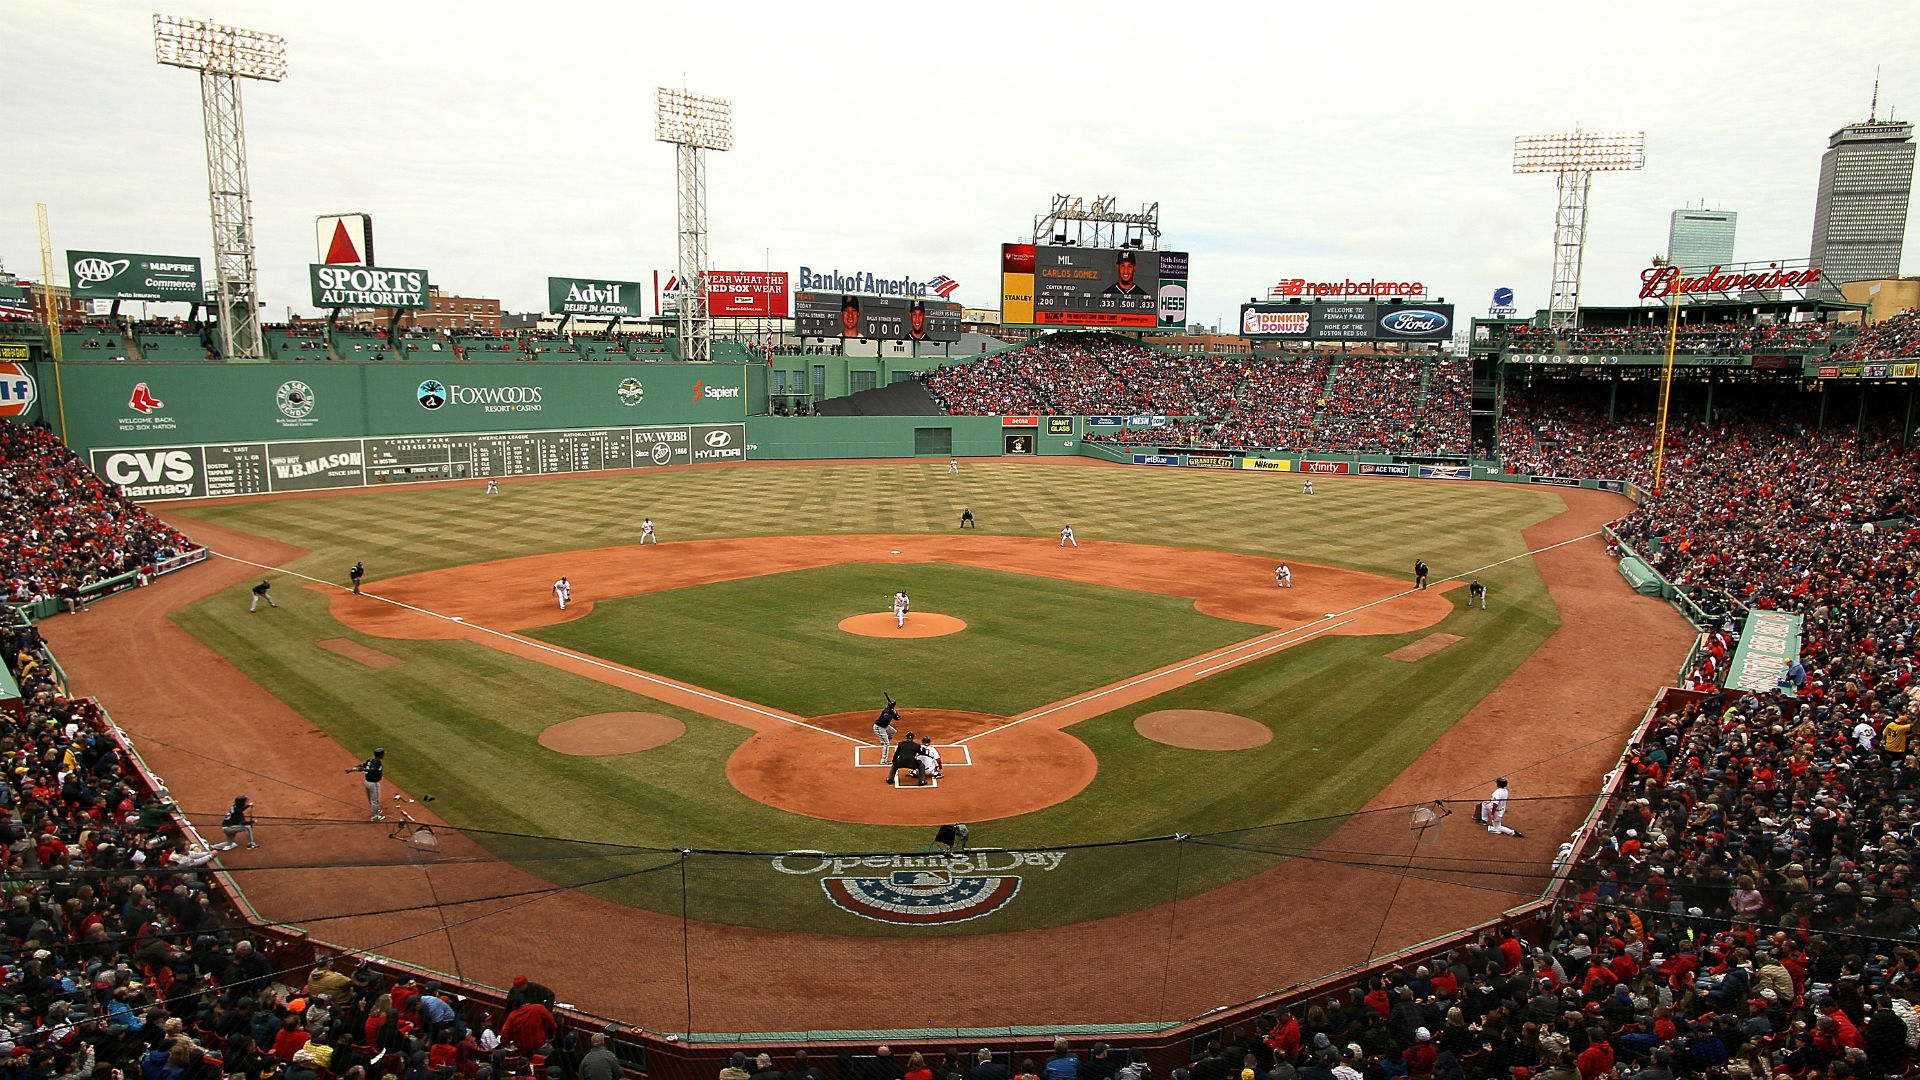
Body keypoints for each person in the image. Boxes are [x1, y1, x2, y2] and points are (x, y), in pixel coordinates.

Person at [346, 748, 387, 822]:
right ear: (380, 755)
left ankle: (375, 811)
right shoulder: (377, 764)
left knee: (371, 799)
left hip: (367, 783)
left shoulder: (370, 761)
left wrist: (351, 770)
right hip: (373, 784)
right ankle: (375, 817)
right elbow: (372, 770)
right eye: (383, 754)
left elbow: (361, 766)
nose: (384, 755)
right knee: (375, 800)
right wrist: (363, 769)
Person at [874, 695, 900, 760]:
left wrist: (896, 714)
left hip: (885, 726)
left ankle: (884, 740)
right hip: (879, 727)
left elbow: (898, 718)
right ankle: (883, 760)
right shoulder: (886, 710)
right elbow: (886, 718)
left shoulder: (891, 710)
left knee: (893, 732)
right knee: (887, 744)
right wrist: (893, 713)